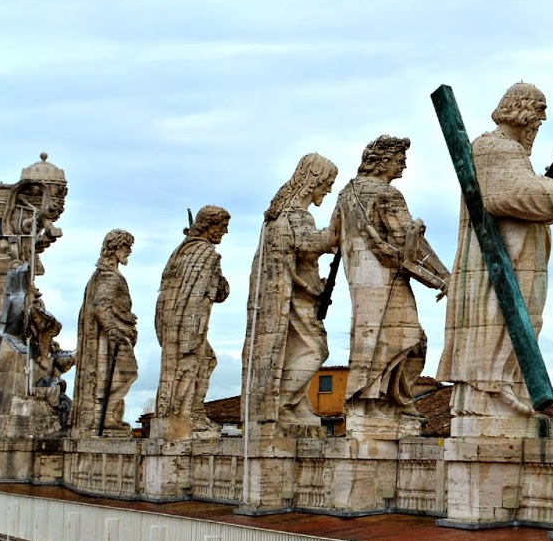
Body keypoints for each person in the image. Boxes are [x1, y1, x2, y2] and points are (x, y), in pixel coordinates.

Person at [437, 83, 553, 428]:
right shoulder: (494, 148)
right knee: (497, 323)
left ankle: (506, 388)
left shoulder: (511, 153)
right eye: (537, 116)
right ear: (522, 112)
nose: (539, 124)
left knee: (524, 323)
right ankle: (490, 393)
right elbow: (510, 195)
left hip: (520, 260)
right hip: (500, 265)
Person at [333, 136, 447, 435]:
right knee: (410, 339)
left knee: (373, 339)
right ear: (383, 161)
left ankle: (376, 402)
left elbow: (330, 239)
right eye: (400, 159)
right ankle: (392, 402)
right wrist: (445, 276)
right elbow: (409, 245)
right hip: (387, 280)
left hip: (359, 281)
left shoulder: (347, 194)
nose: (404, 165)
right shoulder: (387, 194)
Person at [244, 154, 339, 437]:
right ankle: (284, 401)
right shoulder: (294, 215)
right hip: (291, 298)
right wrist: (337, 231)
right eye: (327, 182)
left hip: (296, 293)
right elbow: (307, 245)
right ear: (314, 181)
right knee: (316, 349)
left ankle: (293, 402)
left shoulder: (279, 217)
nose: (328, 189)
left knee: (295, 348)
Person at [155, 205, 231, 434]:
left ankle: (188, 412)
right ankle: (186, 416)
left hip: (170, 321)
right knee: (197, 362)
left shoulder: (180, 252)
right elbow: (216, 293)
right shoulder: (206, 254)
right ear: (210, 225)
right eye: (223, 226)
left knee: (206, 359)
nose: (225, 232)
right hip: (189, 324)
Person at [74, 229, 139, 436]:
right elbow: (100, 305)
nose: (129, 251)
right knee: (124, 373)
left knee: (118, 374)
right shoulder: (109, 276)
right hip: (111, 337)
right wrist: (112, 329)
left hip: (114, 333)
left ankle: (109, 416)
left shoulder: (103, 274)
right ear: (115, 248)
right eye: (126, 246)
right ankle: (105, 416)